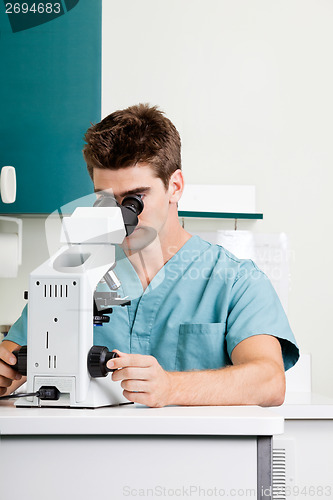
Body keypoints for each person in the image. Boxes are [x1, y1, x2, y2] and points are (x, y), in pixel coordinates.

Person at [0, 104, 299, 407]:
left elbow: (269, 382)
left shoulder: (235, 281)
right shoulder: (72, 274)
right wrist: (5, 376)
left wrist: (172, 387)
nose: (119, 215)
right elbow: (12, 359)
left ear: (175, 186)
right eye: (106, 199)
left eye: (135, 199)